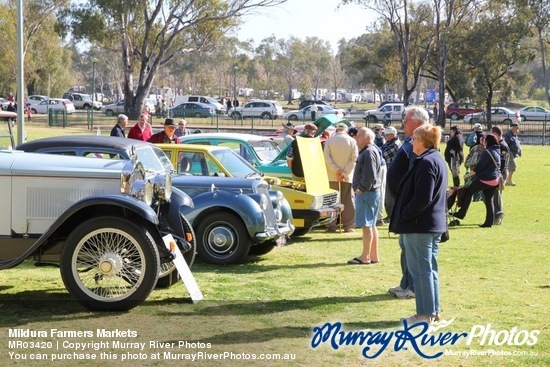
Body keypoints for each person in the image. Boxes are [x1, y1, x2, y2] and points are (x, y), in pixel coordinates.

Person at [389, 124, 448, 325]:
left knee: (421, 271)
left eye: (414, 139)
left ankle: (424, 315)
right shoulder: (435, 158)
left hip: (420, 226)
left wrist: (405, 214)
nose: (412, 142)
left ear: (423, 141)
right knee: (428, 269)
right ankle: (433, 311)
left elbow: (424, 197)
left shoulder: (427, 162)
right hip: (429, 225)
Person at [386, 106, 429, 299]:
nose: (402, 123)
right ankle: (405, 283)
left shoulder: (421, 144)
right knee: (404, 246)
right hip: (401, 203)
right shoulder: (410, 141)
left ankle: (412, 287)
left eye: (406, 120)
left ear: (419, 123)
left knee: (411, 248)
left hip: (409, 207)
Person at [451, 134, 501, 227]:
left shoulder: (487, 152)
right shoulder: (497, 150)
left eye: (485, 141)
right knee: (489, 200)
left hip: (486, 179)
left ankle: (461, 213)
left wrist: (468, 175)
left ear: (488, 142)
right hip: (495, 179)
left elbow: (479, 167)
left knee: (468, 191)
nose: (484, 142)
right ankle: (489, 222)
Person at [348, 127, 381, 265]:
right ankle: (373, 256)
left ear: (366, 137)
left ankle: (365, 256)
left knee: (367, 225)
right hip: (372, 193)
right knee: (372, 225)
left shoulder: (368, 152)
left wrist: (361, 188)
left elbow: (370, 175)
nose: (356, 138)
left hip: (367, 193)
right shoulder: (371, 150)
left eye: (359, 135)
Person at [324, 122, 358, 233]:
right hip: (347, 177)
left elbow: (327, 158)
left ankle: (331, 225)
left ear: (336, 130)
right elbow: (354, 159)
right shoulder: (352, 141)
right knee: (348, 201)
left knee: (332, 201)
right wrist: (344, 173)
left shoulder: (329, 141)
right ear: (346, 130)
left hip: (332, 176)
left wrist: (336, 171)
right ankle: (348, 226)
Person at [491, 126, 509, 225]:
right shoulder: (499, 144)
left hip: (501, 173)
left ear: (496, 134)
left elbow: (504, 163)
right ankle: (497, 216)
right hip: (499, 173)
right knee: (496, 196)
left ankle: (498, 216)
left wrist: (499, 175)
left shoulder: (503, 146)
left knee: (497, 196)